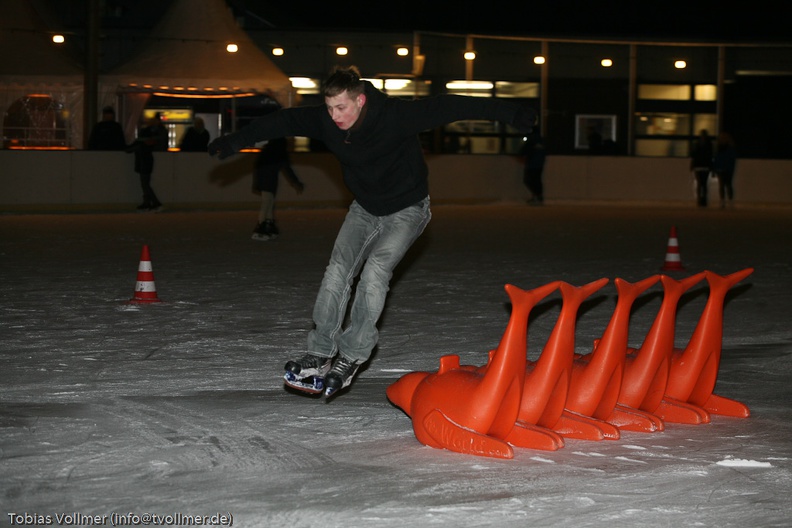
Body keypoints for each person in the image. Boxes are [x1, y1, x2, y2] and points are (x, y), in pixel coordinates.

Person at [208, 66, 536, 397]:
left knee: (375, 272)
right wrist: (237, 139)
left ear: (361, 100)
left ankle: (350, 356)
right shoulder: (327, 119)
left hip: (407, 209)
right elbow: (284, 121)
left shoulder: (395, 116)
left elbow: (451, 105)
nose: (335, 116)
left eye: (342, 108)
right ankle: (321, 351)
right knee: (337, 270)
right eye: (330, 108)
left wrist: (510, 112)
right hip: (364, 208)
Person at [252, 137, 305, 241]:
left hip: (265, 180)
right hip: (269, 180)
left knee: (269, 202)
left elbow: (258, 167)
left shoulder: (267, 152)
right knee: (267, 202)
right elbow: (287, 169)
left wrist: (257, 183)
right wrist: (296, 182)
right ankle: (261, 226)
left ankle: (268, 223)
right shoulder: (279, 153)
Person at [128, 112, 168, 212]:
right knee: (145, 184)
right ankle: (148, 203)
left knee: (145, 184)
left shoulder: (146, 139)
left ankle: (155, 203)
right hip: (144, 162)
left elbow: (135, 146)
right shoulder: (151, 136)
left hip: (144, 162)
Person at [690, 129, 714, 207]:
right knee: (703, 184)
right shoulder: (709, 145)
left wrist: (692, 165)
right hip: (705, 166)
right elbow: (710, 156)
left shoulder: (697, 144)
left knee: (700, 184)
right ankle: (703, 200)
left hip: (699, 166)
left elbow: (694, 156)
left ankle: (700, 200)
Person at [712, 132, 737, 208]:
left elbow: (731, 159)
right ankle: (723, 201)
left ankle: (730, 201)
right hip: (721, 169)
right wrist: (715, 168)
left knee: (728, 185)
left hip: (727, 169)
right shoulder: (719, 148)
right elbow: (716, 159)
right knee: (722, 186)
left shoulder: (729, 149)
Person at [520, 135, 546, 205]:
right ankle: (538, 196)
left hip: (531, 165)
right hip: (539, 165)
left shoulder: (531, 142)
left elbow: (523, 151)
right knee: (537, 181)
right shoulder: (542, 142)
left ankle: (536, 196)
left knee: (528, 180)